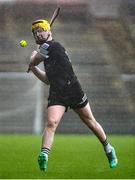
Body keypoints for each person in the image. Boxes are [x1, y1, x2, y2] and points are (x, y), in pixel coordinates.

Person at [27, 19, 118, 171]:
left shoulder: (52, 46)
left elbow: (34, 60)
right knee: (51, 123)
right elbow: (48, 80)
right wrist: (34, 69)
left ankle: (109, 149)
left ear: (49, 31)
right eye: (35, 31)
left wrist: (32, 59)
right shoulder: (47, 51)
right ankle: (44, 155)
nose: (38, 32)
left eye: (41, 29)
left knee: (90, 122)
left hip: (73, 89)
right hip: (57, 91)